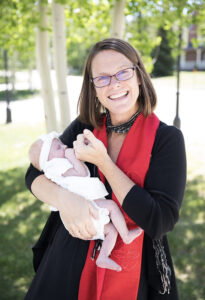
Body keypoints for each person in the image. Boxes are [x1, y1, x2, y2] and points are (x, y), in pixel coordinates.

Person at [25, 38, 186, 300]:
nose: (115, 83)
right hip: (69, 256)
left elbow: (160, 220)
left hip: (135, 266)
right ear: (94, 88)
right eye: (102, 78)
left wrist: (104, 163)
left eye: (123, 72)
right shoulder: (85, 125)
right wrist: (66, 200)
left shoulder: (166, 139)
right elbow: (34, 173)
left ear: (138, 76)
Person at [28, 131, 142, 272]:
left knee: (111, 231)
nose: (64, 147)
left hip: (86, 217)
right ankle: (125, 235)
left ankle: (103, 257)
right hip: (87, 210)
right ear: (49, 161)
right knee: (111, 206)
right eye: (58, 148)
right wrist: (73, 158)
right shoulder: (59, 169)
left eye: (61, 144)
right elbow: (82, 174)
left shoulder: (55, 169)